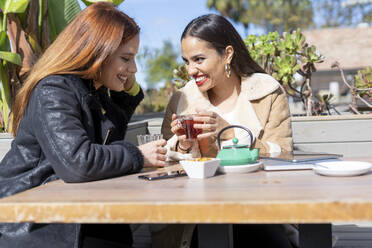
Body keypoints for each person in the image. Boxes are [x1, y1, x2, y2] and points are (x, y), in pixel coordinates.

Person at [0, 2, 167, 248]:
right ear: (98, 51)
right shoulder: (53, 89)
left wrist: (127, 86)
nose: (134, 68)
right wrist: (138, 155)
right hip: (33, 220)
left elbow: (112, 134)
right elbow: (77, 163)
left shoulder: (90, 89)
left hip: (71, 208)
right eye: (126, 58)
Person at [160, 14, 295, 248]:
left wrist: (231, 133)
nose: (191, 70)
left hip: (258, 210)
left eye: (199, 59)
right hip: (196, 217)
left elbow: (283, 156)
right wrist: (183, 145)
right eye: (186, 61)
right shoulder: (182, 100)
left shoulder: (266, 93)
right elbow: (164, 170)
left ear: (228, 54)